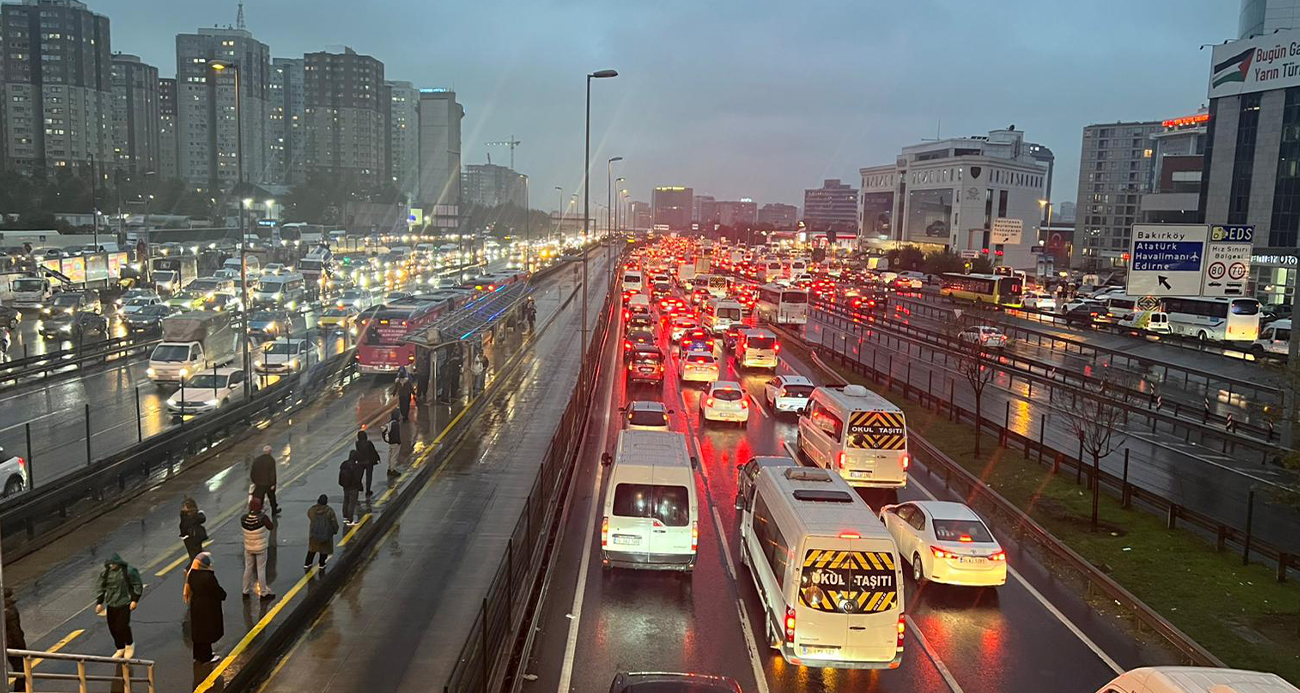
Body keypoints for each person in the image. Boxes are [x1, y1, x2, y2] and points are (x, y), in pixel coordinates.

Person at [94, 553, 142, 659]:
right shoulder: (105, 573)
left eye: (113, 563)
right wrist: (99, 602)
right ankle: (120, 647)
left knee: (122, 626)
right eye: (110, 564)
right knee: (113, 628)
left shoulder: (128, 571)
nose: (111, 566)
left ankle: (129, 644)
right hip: (111, 604)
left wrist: (135, 600)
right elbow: (101, 587)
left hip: (124, 603)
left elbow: (137, 584)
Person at [182, 552, 225, 664]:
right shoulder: (208, 577)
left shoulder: (192, 574)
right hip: (207, 606)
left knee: (198, 631)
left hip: (196, 604)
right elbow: (217, 591)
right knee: (207, 631)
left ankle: (198, 655)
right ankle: (207, 656)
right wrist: (223, 595)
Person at [240, 497, 276, 600]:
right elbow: (271, 527)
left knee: (248, 568)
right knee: (261, 569)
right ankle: (263, 592)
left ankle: (245, 590)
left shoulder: (243, 518)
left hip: (248, 547)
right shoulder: (263, 518)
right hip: (260, 547)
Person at [305, 495, 340, 569]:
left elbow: (309, 515)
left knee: (312, 548)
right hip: (326, 532)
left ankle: (308, 563)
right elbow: (333, 522)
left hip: (314, 532)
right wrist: (335, 530)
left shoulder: (312, 510)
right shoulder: (329, 510)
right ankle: (322, 563)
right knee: (324, 549)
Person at [5, 588, 27, 691]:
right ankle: (19, 689)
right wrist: (22, 647)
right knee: (20, 668)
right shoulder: (11, 611)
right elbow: (15, 631)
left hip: (4, 644)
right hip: (12, 645)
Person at [249, 445, 280, 515]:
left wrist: (254, 481)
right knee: (272, 497)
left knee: (260, 497)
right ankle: (274, 510)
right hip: (268, 483)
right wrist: (273, 483)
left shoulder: (257, 460)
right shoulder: (271, 460)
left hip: (259, 483)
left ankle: (258, 511)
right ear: (270, 452)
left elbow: (253, 472)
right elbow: (272, 473)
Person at [338, 453, 363, 525]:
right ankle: (350, 519)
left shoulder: (344, 464)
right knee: (352, 503)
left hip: (345, 486)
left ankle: (345, 516)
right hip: (353, 487)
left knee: (346, 501)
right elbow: (358, 478)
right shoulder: (356, 466)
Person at [355, 430, 380, 496]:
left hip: (360, 462)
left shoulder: (357, 443)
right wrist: (377, 458)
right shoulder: (368, 443)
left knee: (359, 475)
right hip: (369, 462)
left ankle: (359, 486)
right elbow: (373, 451)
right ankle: (368, 491)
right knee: (368, 477)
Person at [382, 411, 402, 478]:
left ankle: (390, 468)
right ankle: (392, 470)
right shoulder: (395, 424)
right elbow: (396, 435)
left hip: (391, 443)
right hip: (395, 443)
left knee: (391, 455)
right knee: (394, 456)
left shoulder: (390, 423)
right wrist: (398, 442)